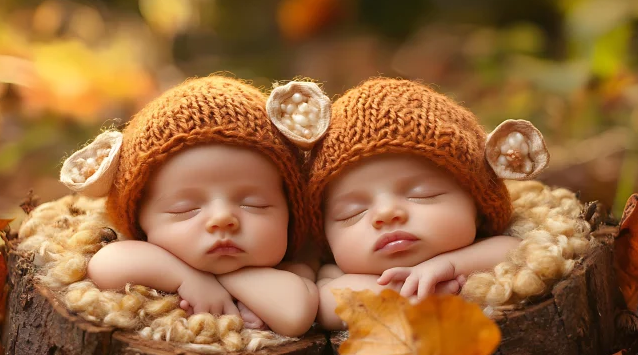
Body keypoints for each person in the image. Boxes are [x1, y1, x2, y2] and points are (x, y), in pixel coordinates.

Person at [84, 76, 319, 338]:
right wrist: (187, 278)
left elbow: (295, 316)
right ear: (140, 223)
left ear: (290, 214)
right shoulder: (146, 258)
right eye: (185, 208)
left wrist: (226, 278)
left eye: (254, 204)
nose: (222, 218)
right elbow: (105, 264)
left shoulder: (293, 269)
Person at [306, 78, 548, 330]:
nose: (387, 213)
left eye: (422, 194)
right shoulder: (336, 275)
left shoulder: (482, 246)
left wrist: (450, 266)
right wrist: (400, 293)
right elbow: (326, 304)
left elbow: (515, 249)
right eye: (352, 213)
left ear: (478, 207)